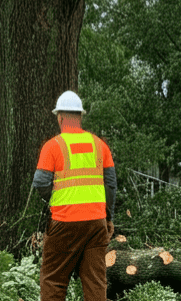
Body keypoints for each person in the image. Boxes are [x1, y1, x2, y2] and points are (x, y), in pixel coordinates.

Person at [33, 90, 116, 301]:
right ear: (80, 116)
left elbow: (40, 183)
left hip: (64, 223)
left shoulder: (52, 146)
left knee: (53, 281)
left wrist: (54, 201)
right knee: (96, 283)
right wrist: (109, 218)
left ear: (60, 117)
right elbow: (111, 185)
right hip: (96, 224)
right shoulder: (100, 146)